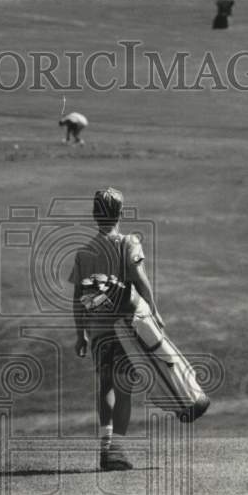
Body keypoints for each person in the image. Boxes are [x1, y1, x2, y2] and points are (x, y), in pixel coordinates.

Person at [69, 187, 165, 471]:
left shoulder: (84, 253)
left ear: (94, 214)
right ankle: (117, 451)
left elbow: (78, 299)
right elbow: (139, 278)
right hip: (126, 327)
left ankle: (105, 445)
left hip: (98, 331)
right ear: (120, 214)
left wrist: (80, 334)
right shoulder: (129, 243)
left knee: (106, 384)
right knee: (125, 388)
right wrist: (155, 309)